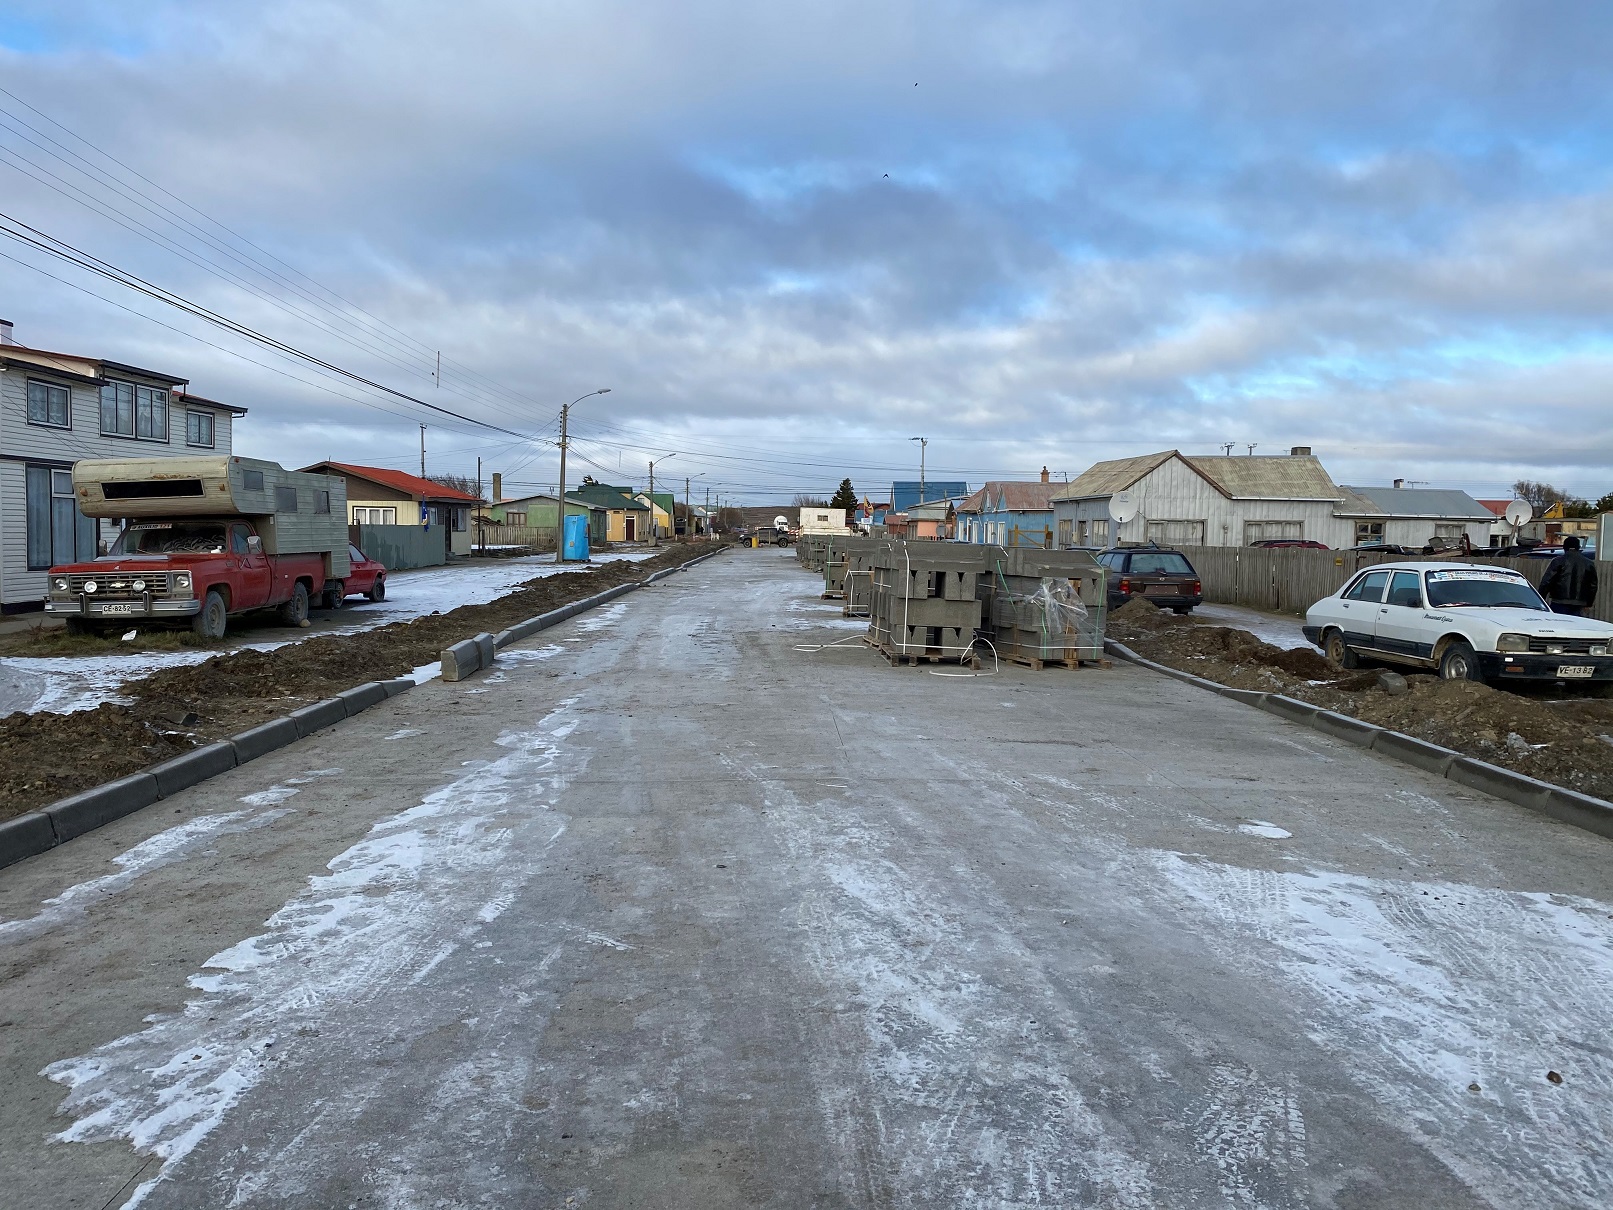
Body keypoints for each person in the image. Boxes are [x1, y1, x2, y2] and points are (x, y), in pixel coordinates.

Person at [1538, 535, 1598, 616]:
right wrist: (1588, 603)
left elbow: (1546, 582)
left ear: (1564, 547)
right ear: (1578, 547)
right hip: (1579, 603)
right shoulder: (1589, 564)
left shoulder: (1558, 561)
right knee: (1575, 627)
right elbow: (1593, 586)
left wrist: (1541, 600)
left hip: (1559, 602)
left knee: (1558, 626)